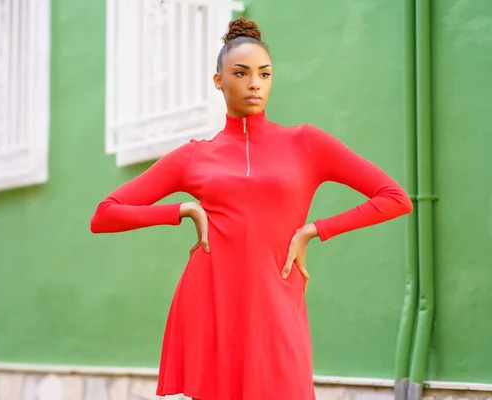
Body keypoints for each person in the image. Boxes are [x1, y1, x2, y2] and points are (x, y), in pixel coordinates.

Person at [90, 16, 413, 400]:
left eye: (264, 73)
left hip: (278, 299)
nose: (254, 83)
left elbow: (394, 198)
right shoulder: (193, 157)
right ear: (218, 81)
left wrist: (315, 230)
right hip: (212, 300)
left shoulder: (306, 143)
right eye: (241, 73)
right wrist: (181, 211)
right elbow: (105, 215)